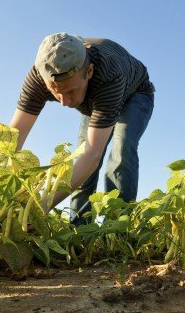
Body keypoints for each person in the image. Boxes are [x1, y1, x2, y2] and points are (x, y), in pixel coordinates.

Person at [9, 32, 155, 225]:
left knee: (122, 148)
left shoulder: (109, 74)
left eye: (71, 91)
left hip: (135, 94)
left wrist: (40, 206)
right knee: (80, 159)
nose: (64, 102)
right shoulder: (38, 78)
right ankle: (79, 229)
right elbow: (12, 139)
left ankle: (118, 227)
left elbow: (92, 155)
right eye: (55, 92)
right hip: (93, 99)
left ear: (89, 72)